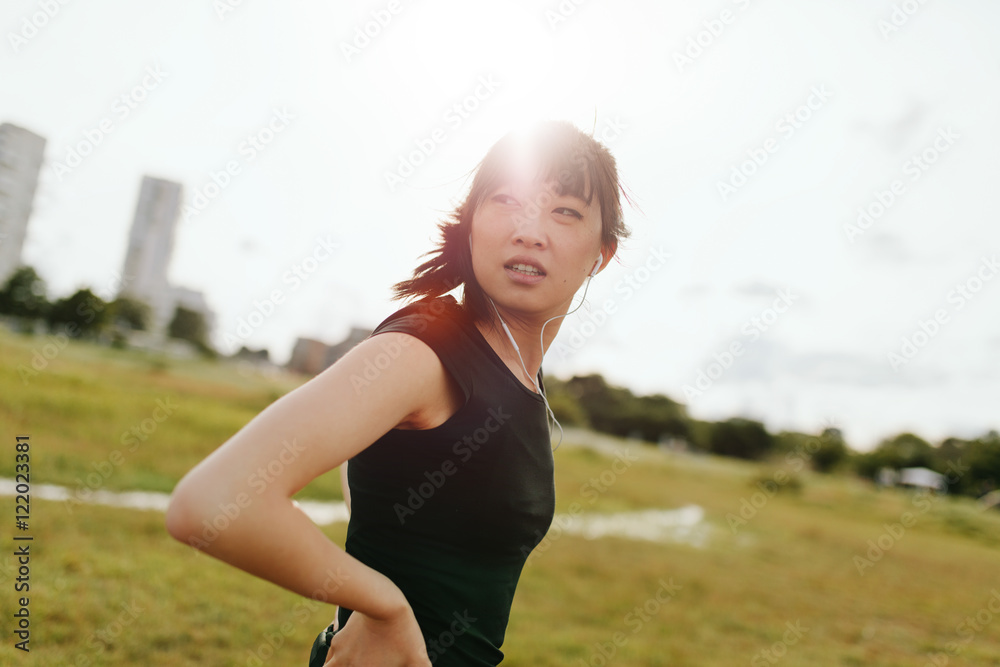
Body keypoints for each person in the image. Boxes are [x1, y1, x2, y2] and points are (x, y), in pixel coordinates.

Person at [165, 119, 631, 666]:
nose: (529, 230)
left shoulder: (519, 373)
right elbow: (212, 503)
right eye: (506, 199)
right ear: (471, 225)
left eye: (565, 211)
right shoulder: (425, 351)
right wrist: (381, 605)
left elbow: (369, 463)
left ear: (601, 254)